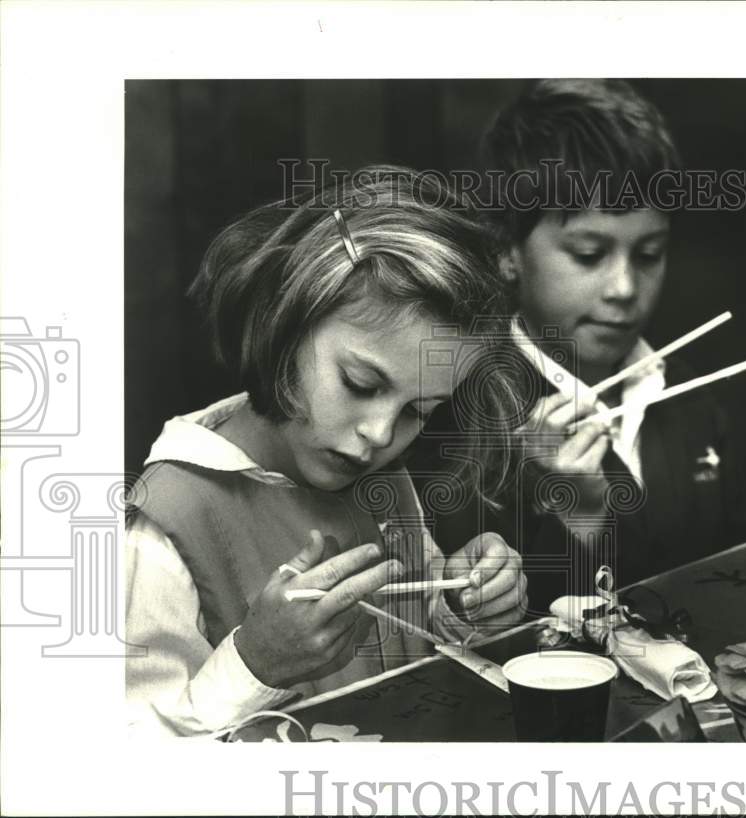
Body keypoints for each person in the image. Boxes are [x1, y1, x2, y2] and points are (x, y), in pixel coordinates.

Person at [125, 167, 529, 737]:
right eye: (361, 385)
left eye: (419, 411)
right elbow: (131, 765)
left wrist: (462, 603)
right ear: (285, 323)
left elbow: (414, 637)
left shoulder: (377, 475)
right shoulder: (164, 526)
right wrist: (255, 664)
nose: (381, 435)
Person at [415, 79, 746, 614]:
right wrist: (581, 521)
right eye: (588, 254)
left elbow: (742, 572)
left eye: (648, 254)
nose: (623, 288)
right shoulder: (456, 420)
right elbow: (483, 638)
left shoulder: (695, 393)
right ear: (508, 251)